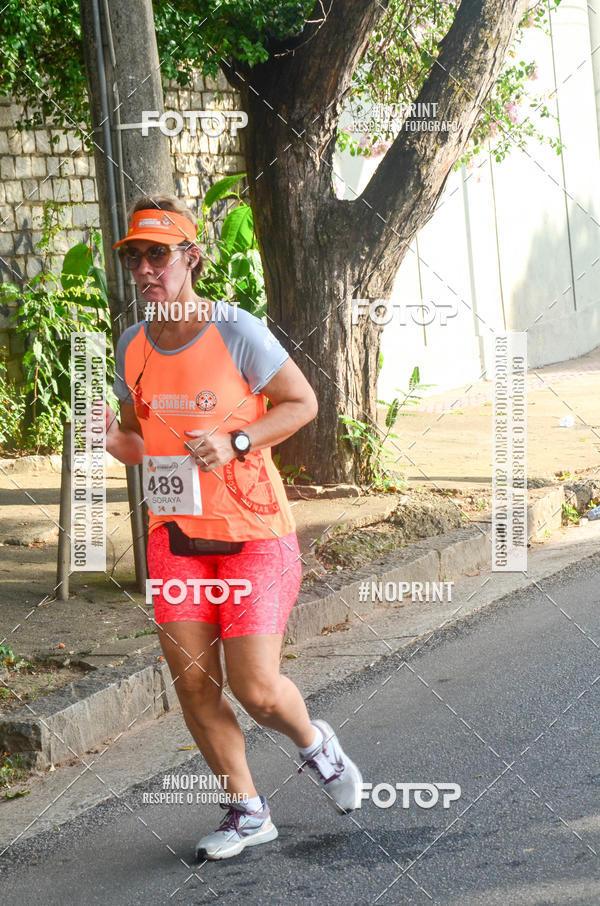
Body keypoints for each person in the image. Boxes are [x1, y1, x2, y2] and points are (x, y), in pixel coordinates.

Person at [105, 195, 363, 861]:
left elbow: (302, 402)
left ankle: (315, 745)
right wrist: (109, 436)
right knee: (193, 682)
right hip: (175, 538)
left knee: (255, 689)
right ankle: (247, 810)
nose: (144, 267)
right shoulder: (132, 345)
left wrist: (238, 438)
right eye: (134, 255)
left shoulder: (235, 330)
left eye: (157, 253)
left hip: (252, 534)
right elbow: (139, 444)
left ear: (190, 257)